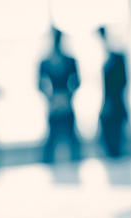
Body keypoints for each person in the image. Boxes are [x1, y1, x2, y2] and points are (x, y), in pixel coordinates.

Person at [39, 28, 81, 163]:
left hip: (67, 104)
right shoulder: (45, 62)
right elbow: (40, 84)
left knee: (72, 138)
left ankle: (76, 163)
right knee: (51, 140)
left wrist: (68, 95)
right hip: (53, 106)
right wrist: (51, 97)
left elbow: (76, 81)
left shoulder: (70, 60)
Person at [98, 26, 131, 157]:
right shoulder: (106, 62)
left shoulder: (118, 58)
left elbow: (123, 82)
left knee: (117, 135)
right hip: (109, 104)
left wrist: (111, 101)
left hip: (116, 103)